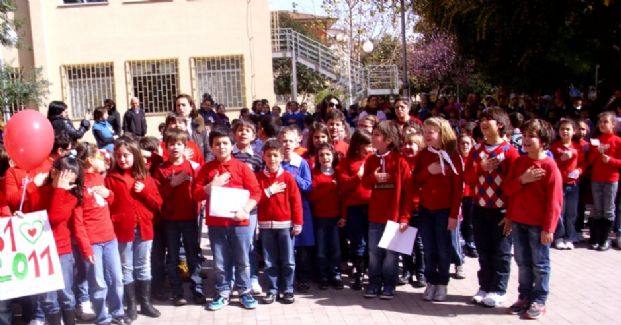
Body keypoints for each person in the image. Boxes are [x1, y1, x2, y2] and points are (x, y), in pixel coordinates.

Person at [193, 128, 261, 311]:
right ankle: (222, 292)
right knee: (221, 262)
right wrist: (211, 186)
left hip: (240, 223)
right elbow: (195, 193)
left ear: (231, 146)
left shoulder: (242, 168)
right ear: (212, 147)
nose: (221, 147)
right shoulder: (206, 169)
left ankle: (244, 291)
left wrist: (246, 209)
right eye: (217, 144)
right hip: (217, 224)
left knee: (243, 259)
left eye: (225, 143)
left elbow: (256, 192)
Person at [502, 119, 562, 319]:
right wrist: (522, 180)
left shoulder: (550, 166)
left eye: (532, 136)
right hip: (519, 222)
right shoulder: (520, 162)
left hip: (538, 225)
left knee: (540, 264)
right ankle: (524, 296)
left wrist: (549, 228)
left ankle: (540, 299)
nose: (526, 140)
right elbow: (509, 190)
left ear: (543, 140)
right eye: (525, 135)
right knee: (522, 262)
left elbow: (555, 201)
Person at [464, 107, 519, 308]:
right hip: (479, 208)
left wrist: (511, 214)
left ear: (501, 125)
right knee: (484, 251)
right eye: (482, 119)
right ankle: (485, 286)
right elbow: (467, 178)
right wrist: (481, 167)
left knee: (502, 252)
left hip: (502, 211)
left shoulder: (510, 152)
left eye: (489, 119)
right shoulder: (476, 150)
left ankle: (499, 289)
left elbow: (515, 186)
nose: (484, 123)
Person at [105, 137, 162, 319]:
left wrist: (144, 192)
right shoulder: (110, 179)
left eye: (127, 155)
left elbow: (158, 204)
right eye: (119, 156)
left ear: (135, 155)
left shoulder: (145, 177)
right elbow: (107, 203)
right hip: (122, 230)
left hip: (144, 228)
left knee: (143, 265)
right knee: (126, 268)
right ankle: (130, 305)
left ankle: (145, 303)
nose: (123, 159)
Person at [75, 143, 128, 325]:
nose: (103, 159)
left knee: (116, 279)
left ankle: (118, 313)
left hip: (110, 238)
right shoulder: (78, 185)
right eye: (99, 156)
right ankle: (102, 318)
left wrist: (109, 194)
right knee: (98, 283)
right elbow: (78, 221)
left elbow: (107, 200)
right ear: (90, 160)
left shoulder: (99, 177)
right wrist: (86, 248)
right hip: (92, 242)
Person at [414, 117, 463, 302]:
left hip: (444, 211)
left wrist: (453, 215)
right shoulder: (423, 155)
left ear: (442, 134)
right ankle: (430, 282)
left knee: (443, 249)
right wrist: (428, 171)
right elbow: (416, 179)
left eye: (431, 132)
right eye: (425, 132)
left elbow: (458, 188)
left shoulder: (454, 156)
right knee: (428, 248)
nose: (427, 135)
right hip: (426, 209)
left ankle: (442, 283)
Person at [40, 154, 92, 325]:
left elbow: (54, 218)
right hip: (42, 252)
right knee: (48, 299)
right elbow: (30, 214)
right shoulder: (38, 193)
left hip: (62, 252)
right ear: (54, 173)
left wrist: (61, 190)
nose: (67, 185)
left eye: (71, 182)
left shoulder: (70, 197)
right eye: (64, 179)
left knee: (66, 295)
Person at [153, 129, 203, 306]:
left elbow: (199, 191)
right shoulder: (161, 170)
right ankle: (177, 292)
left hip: (189, 218)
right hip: (170, 220)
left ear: (185, 146)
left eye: (179, 144)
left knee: (193, 255)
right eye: (171, 144)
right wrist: (172, 184)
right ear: (166, 147)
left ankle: (198, 290)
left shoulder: (193, 167)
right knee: (173, 257)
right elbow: (157, 196)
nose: (175, 147)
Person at [361, 121, 410, 300]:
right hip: (375, 216)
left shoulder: (400, 162)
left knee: (391, 254)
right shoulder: (371, 160)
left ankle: (389, 285)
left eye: (376, 135)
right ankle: (374, 283)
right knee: (374, 252)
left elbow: (407, 192)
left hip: (394, 217)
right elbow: (365, 183)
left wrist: (405, 217)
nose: (373, 138)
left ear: (388, 140)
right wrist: (373, 178)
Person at [254, 139, 303, 304]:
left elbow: (296, 201)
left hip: (285, 225)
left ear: (281, 157)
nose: (272, 159)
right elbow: (254, 199)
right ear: (263, 156)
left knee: (288, 260)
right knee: (269, 260)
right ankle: (272, 289)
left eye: (275, 155)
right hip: (266, 226)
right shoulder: (258, 177)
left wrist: (298, 223)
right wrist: (269, 191)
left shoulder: (288, 178)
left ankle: (287, 289)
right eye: (269, 155)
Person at [336, 130, 373, 290]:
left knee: (372, 241)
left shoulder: (373, 160)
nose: (370, 149)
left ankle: (370, 271)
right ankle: (358, 272)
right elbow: (343, 186)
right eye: (367, 146)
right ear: (358, 146)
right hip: (354, 207)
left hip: (373, 206)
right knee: (358, 242)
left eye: (371, 145)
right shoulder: (346, 162)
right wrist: (358, 176)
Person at [231, 120, 264, 294]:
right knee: (231, 244)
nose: (243, 133)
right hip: (230, 208)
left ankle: (252, 278)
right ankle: (234, 278)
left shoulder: (258, 157)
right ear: (234, 134)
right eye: (239, 130)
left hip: (250, 209)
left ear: (254, 135)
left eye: (247, 130)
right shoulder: (228, 154)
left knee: (249, 244)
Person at [308, 143, 344, 290]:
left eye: (328, 154)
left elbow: (343, 197)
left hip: (335, 217)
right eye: (321, 155)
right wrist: (329, 187)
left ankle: (335, 274)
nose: (325, 157)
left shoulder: (338, 173)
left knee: (335, 248)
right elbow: (313, 195)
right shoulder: (314, 174)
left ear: (333, 156)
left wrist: (344, 216)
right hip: (320, 217)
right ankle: (322, 275)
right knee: (321, 249)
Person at [587, 111, 621, 250]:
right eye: (600, 121)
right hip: (596, 178)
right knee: (597, 209)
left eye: (605, 121)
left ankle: (605, 239)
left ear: (613, 124)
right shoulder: (596, 140)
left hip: (611, 179)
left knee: (608, 209)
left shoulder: (618, 141)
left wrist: (610, 161)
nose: (602, 124)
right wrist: (596, 151)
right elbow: (589, 161)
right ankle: (595, 238)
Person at [550, 119, 585, 250]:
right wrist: (560, 159)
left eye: (568, 129)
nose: (565, 131)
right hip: (559, 185)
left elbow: (583, 164)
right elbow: (551, 165)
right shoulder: (555, 147)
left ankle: (570, 236)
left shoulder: (577, 147)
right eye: (562, 129)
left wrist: (578, 171)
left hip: (573, 184)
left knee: (572, 212)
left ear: (574, 131)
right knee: (560, 212)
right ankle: (559, 236)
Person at [398, 132, 427, 288]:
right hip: (403, 208)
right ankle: (407, 271)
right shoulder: (400, 162)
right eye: (405, 144)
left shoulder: (421, 162)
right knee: (405, 242)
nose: (407, 147)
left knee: (420, 244)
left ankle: (421, 272)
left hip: (419, 207)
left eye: (412, 144)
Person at [458, 134, 477, 259]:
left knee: (470, 222)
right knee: (460, 222)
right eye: (462, 143)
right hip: (459, 195)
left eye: (467, 143)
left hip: (471, 195)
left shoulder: (474, 160)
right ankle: (461, 245)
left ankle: (471, 244)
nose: (465, 146)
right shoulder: (456, 159)